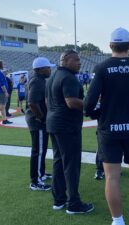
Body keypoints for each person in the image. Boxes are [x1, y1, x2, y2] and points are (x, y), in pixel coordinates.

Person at [84, 28, 129, 225]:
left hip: (109, 129)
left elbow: (89, 102)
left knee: (112, 177)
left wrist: (97, 114)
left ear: (110, 45)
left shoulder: (102, 68)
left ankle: (118, 221)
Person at [46, 50, 94, 214]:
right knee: (71, 164)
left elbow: (48, 101)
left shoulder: (53, 76)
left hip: (53, 123)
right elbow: (71, 102)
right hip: (67, 126)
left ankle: (58, 200)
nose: (79, 63)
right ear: (65, 60)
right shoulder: (68, 77)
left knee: (59, 162)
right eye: (76, 60)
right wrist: (91, 105)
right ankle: (73, 203)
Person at [25, 57, 54, 191]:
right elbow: (32, 103)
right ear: (41, 69)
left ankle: (40, 174)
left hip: (38, 120)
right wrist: (41, 117)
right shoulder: (37, 81)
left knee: (41, 150)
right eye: (48, 67)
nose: (50, 69)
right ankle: (35, 181)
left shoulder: (39, 79)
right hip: (37, 121)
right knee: (39, 150)